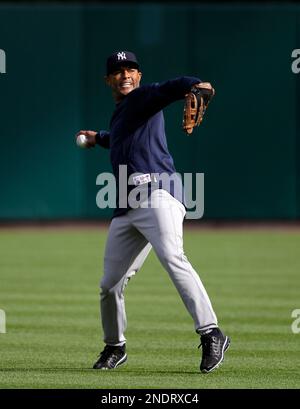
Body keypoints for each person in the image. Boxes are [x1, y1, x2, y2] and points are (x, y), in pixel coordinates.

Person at [76, 50, 230, 373]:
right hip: (126, 206)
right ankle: (114, 346)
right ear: (108, 80)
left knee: (173, 257)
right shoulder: (121, 114)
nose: (125, 75)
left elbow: (169, 88)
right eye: (118, 71)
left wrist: (196, 86)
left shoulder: (144, 97)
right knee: (109, 284)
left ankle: (212, 332)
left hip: (158, 193)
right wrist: (97, 138)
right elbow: (118, 138)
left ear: (139, 76)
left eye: (131, 69)